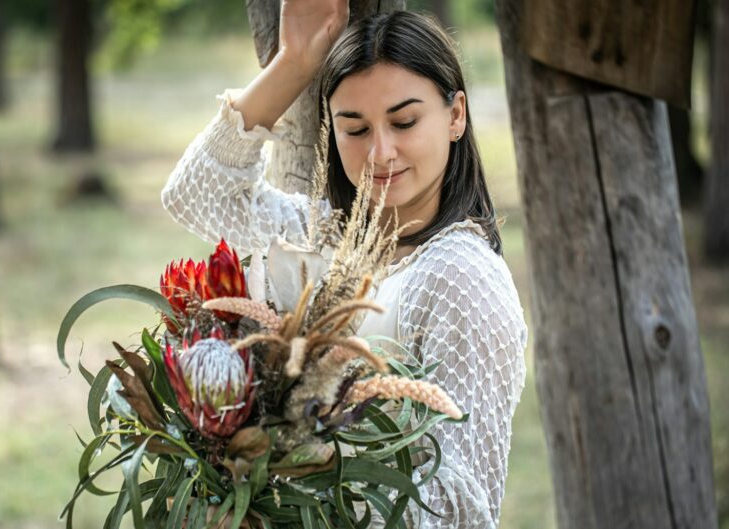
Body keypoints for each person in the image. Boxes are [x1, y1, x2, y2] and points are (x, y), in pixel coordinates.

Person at [161, 1, 528, 527]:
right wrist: (292, 62)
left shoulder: (460, 277)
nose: (381, 152)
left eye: (404, 121)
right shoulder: (323, 232)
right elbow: (196, 193)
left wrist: (299, 496)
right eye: (354, 129)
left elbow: (461, 509)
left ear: (455, 115)